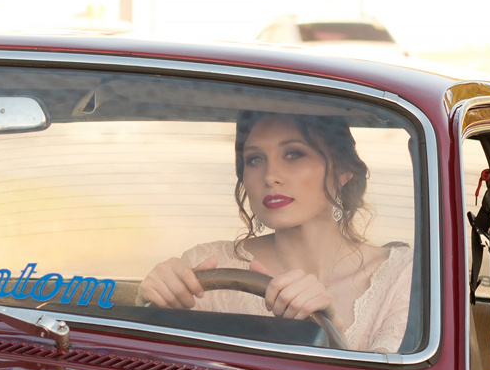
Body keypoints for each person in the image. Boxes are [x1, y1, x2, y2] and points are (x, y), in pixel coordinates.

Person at [139, 111, 413, 352]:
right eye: (255, 159)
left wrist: (331, 335)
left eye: (294, 154)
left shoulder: (403, 277)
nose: (270, 176)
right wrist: (147, 307)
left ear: (343, 170)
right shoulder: (207, 264)